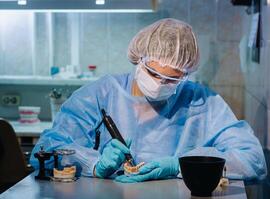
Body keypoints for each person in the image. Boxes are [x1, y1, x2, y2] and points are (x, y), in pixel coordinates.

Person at [30, 18, 267, 183]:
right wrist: (94, 164)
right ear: (138, 59)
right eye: (153, 73)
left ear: (186, 75)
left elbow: (253, 160)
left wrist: (182, 165)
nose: (159, 84)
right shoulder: (101, 94)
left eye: (171, 79)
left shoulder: (201, 102)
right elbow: (46, 149)